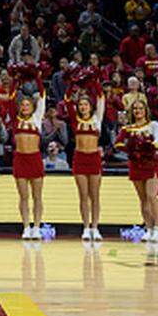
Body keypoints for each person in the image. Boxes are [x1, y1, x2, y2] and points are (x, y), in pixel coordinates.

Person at [116, 101, 158, 242]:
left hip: (151, 163)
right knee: (143, 198)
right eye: (135, 109)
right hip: (136, 164)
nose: (138, 111)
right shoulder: (127, 129)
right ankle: (148, 229)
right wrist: (132, 150)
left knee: (152, 195)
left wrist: (144, 147)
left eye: (140, 108)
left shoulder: (154, 125)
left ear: (146, 110)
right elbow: (118, 143)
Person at [70, 85, 105, 241]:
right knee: (83, 195)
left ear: (91, 107)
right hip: (80, 159)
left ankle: (95, 227)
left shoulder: (97, 119)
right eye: (81, 105)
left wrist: (95, 81)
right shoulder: (75, 120)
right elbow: (66, 101)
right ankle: (85, 227)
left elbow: (101, 98)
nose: (83, 107)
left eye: (86, 104)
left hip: (94, 158)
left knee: (95, 195)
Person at [12, 89, 46, 239]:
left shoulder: (37, 118)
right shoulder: (15, 120)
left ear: (33, 107)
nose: (25, 107)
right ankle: (26, 226)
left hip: (34, 159)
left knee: (37, 196)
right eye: (23, 105)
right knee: (23, 196)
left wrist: (37, 78)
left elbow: (43, 96)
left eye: (28, 105)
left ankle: (37, 226)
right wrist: (16, 81)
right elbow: (11, 98)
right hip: (20, 159)